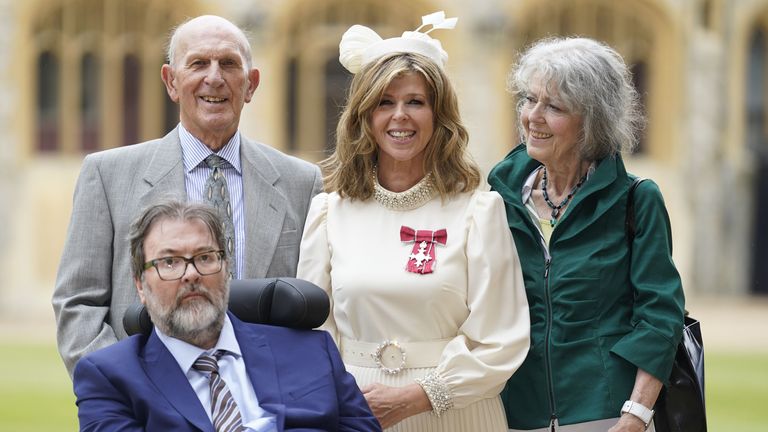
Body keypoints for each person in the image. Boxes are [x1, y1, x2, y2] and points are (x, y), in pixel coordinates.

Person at [297, 12, 530, 432]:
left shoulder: (480, 212)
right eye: (385, 102)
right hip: (355, 411)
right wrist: (342, 397)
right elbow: (313, 330)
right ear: (364, 117)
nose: (399, 116)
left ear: (439, 116)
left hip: (457, 411)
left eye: (415, 102)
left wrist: (419, 396)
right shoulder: (328, 213)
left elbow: (502, 339)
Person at [52, 15, 322, 376]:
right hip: (148, 401)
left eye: (229, 64)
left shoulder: (301, 182)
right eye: (198, 63)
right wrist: (126, 390)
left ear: (251, 84)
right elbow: (77, 304)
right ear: (171, 82)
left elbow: (315, 307)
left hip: (266, 402)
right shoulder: (106, 175)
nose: (214, 77)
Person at [487, 37, 686, 432]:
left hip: (606, 414)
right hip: (514, 413)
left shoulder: (636, 199)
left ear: (593, 120)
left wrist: (636, 415)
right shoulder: (498, 197)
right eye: (529, 100)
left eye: (554, 107)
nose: (533, 117)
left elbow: (660, 316)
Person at [73, 200, 380, 432]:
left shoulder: (310, 350)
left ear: (227, 270)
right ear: (140, 284)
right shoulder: (110, 377)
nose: (190, 274)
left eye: (205, 258)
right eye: (169, 262)